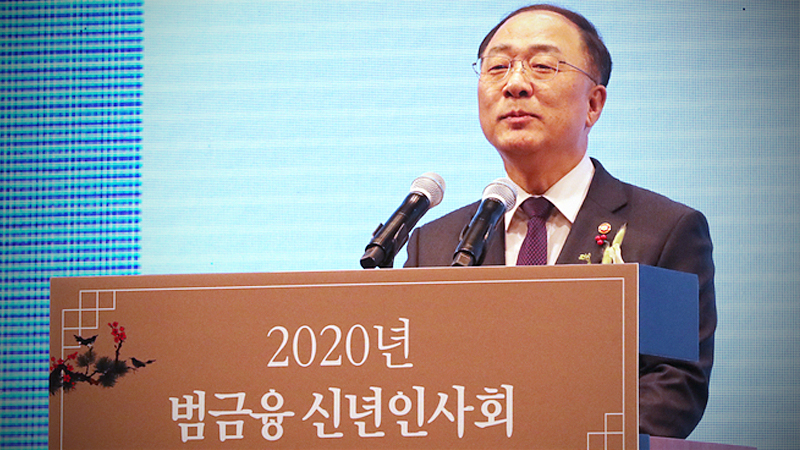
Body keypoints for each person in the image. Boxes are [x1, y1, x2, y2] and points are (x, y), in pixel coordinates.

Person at [404, 4, 716, 439]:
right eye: (497, 67)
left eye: (543, 66)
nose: (515, 84)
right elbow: (411, 384)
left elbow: (674, 384)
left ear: (594, 103)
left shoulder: (665, 230)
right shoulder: (433, 245)